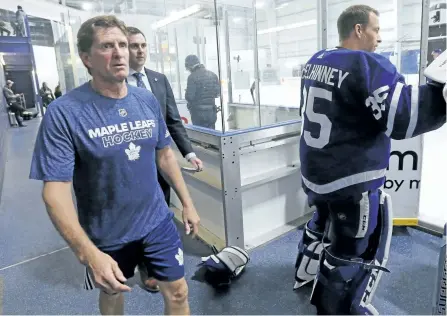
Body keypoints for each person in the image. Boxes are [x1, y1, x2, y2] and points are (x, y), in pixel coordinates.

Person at [29, 15, 200, 315]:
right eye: (107, 46)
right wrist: (88, 253)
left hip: (156, 221)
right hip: (107, 232)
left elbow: (165, 155)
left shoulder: (146, 100)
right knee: (112, 293)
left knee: (178, 292)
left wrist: (187, 202)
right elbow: (54, 194)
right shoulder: (64, 114)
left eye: (123, 44)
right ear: (86, 58)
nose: (120, 52)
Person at [293, 4, 446, 315]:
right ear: (359, 30)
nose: (379, 38)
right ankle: (332, 308)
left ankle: (304, 271)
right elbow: (403, 118)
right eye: (376, 30)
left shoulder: (316, 60)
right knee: (352, 249)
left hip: (315, 170)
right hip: (350, 178)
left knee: (321, 221)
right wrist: (438, 92)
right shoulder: (367, 65)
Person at [126, 26, 203, 293]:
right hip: (131, 163)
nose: (139, 50)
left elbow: (173, 119)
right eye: (133, 45)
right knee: (137, 214)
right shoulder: (116, 82)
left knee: (162, 211)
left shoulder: (158, 80)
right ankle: (143, 263)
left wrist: (189, 152)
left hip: (162, 159)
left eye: (143, 45)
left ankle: (156, 259)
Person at [184, 55, 220, 129]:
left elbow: (190, 97)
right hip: (211, 111)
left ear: (190, 65)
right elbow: (217, 93)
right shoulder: (213, 75)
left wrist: (187, 92)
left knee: (200, 136)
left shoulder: (192, 77)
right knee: (212, 134)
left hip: (198, 112)